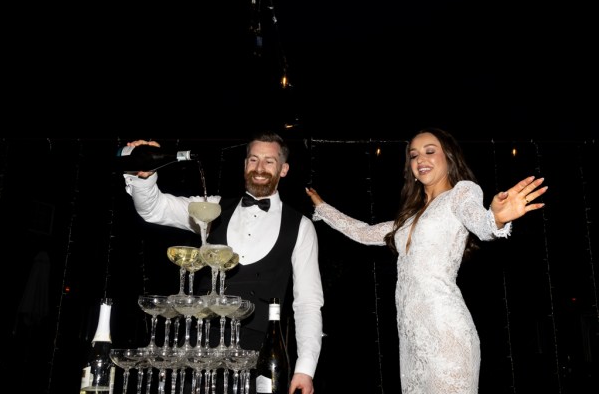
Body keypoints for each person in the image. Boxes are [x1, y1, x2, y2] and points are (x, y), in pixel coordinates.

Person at [305, 127, 547, 394]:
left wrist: (497, 218)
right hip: (411, 340)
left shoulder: (461, 193)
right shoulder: (408, 219)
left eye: (430, 152)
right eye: (414, 155)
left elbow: (480, 222)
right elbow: (365, 232)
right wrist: (323, 209)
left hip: (446, 334)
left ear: (449, 158)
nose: (421, 160)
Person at [123, 131, 324, 394]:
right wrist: (144, 177)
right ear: (244, 164)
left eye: (269, 161)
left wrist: (305, 369)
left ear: (283, 169)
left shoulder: (301, 226)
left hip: (256, 357)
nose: (259, 168)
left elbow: (308, 303)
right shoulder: (213, 209)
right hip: (198, 349)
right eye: (253, 160)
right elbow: (154, 209)